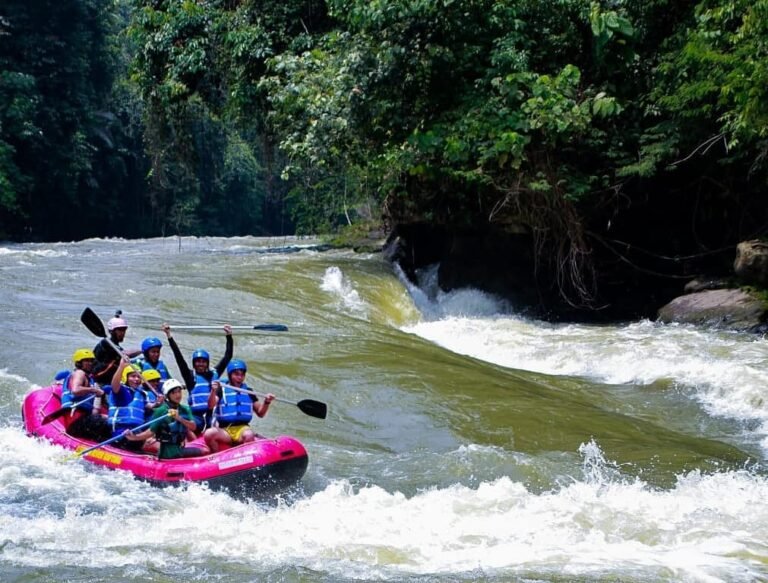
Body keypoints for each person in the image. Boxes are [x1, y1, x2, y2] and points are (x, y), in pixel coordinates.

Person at [162, 322, 233, 434]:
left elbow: (228, 356)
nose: (201, 364)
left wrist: (229, 336)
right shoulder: (190, 377)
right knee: (180, 421)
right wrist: (169, 336)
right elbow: (178, 357)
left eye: (203, 362)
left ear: (207, 363)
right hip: (195, 416)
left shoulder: (214, 374)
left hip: (210, 415)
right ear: (194, 363)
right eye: (198, 362)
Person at [123, 379, 209, 459]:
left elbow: (193, 427)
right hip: (168, 452)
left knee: (203, 448)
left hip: (180, 447)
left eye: (179, 391)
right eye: (174, 393)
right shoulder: (161, 411)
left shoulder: (185, 409)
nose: (178, 395)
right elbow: (150, 432)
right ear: (167, 395)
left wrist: (179, 418)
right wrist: (133, 437)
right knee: (205, 451)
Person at [203, 359, 274, 453]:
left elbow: (260, 413)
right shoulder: (221, 390)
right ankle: (216, 455)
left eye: (242, 375)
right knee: (208, 434)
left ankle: (245, 457)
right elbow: (211, 405)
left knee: (249, 435)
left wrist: (266, 402)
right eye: (236, 374)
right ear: (230, 375)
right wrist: (213, 391)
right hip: (225, 430)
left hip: (242, 429)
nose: (240, 377)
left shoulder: (248, 391)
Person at [106, 360, 158, 454]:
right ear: (125, 377)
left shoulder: (141, 393)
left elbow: (148, 405)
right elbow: (114, 384)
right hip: (121, 430)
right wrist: (121, 367)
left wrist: (157, 403)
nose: (136, 379)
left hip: (136, 430)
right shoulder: (121, 391)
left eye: (138, 377)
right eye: (133, 376)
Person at [61, 348, 110, 441]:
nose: (90, 363)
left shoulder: (91, 380)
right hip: (74, 420)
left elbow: (94, 412)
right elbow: (75, 390)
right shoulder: (80, 373)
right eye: (86, 361)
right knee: (108, 422)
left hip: (83, 420)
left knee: (110, 420)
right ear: (79, 363)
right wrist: (94, 390)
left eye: (91, 361)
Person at [92, 310, 141, 385]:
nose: (123, 333)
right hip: (99, 380)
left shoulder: (116, 346)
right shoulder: (106, 343)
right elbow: (124, 353)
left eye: (124, 330)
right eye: (120, 330)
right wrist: (143, 350)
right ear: (112, 331)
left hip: (109, 381)